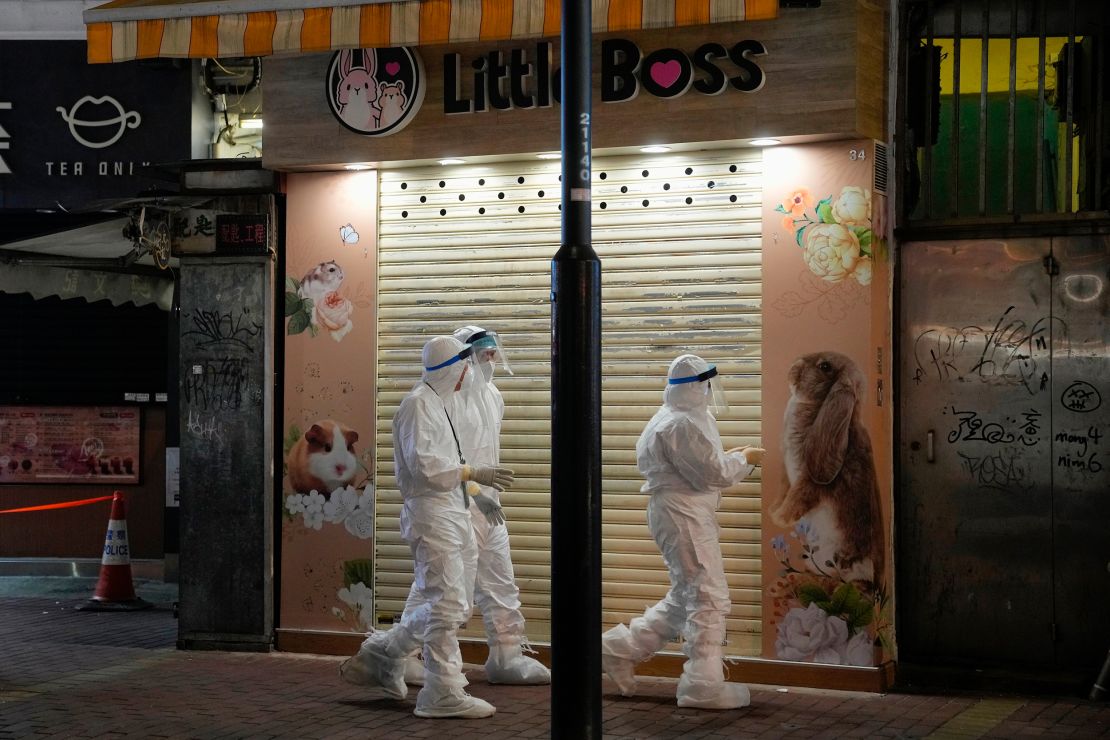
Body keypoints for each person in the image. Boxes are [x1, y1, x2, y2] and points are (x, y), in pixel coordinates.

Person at [339, 335, 514, 719]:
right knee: (447, 603)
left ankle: (384, 653)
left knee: (451, 601)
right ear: (452, 367)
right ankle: (442, 690)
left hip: (454, 508)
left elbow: (453, 459)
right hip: (431, 513)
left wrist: (473, 489)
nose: (469, 372)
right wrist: (471, 473)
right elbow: (425, 466)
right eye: (465, 365)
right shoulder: (418, 405)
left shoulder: (440, 402)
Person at [600, 353, 765, 710]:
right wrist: (745, 460)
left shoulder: (674, 418)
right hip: (683, 514)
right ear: (696, 387)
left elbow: (701, 464)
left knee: (686, 595)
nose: (710, 392)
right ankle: (702, 686)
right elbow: (712, 473)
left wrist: (732, 457)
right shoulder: (682, 425)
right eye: (706, 385)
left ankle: (618, 649)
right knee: (708, 595)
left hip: (678, 512)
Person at [400, 325, 549, 685]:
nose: (490, 359)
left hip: (485, 505)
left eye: (493, 351)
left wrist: (486, 498)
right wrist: (474, 492)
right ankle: (401, 653)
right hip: (454, 505)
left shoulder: (492, 395)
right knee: (439, 586)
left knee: (500, 578)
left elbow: (486, 454)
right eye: (482, 352)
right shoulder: (441, 400)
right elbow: (443, 460)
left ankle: (506, 653)